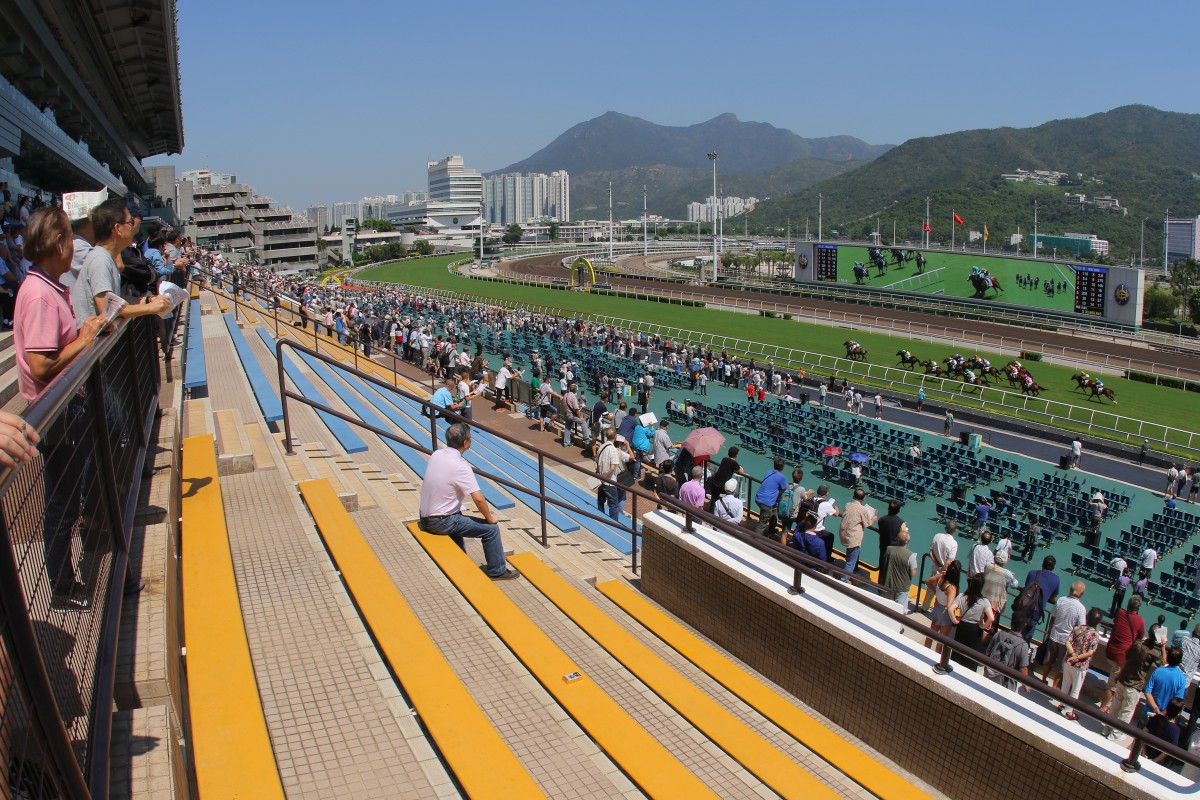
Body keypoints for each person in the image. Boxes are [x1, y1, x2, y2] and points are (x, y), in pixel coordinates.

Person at [417, 424, 517, 580]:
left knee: (458, 517)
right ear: (466, 443)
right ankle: (497, 571)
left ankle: (460, 560)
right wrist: (489, 517)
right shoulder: (461, 466)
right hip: (440, 521)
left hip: (425, 516)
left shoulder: (437, 454)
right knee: (491, 530)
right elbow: (478, 498)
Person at [70, 198, 170, 326]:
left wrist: (148, 300)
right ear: (118, 228)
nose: (133, 227)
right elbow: (108, 309)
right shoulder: (100, 259)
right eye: (131, 222)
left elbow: (115, 302)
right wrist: (150, 308)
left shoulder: (105, 257)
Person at [1102, 634, 1167, 742]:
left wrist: (1119, 674)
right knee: (1127, 711)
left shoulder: (1137, 644)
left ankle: (1107, 728)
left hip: (1123, 679)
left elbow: (1127, 659)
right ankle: (1115, 735)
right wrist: (1163, 646)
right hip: (1135, 686)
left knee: (1115, 706)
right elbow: (1164, 663)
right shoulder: (1154, 652)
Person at [1039, 581, 1087, 688]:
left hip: (1054, 635)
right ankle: (1054, 686)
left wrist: (1050, 630)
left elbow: (1052, 618)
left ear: (1070, 590)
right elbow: (1081, 628)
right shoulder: (1081, 608)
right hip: (1067, 641)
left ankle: (1043, 679)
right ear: (1082, 594)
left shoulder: (1061, 600)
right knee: (1061, 666)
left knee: (1048, 660)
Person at [1058, 607, 1103, 720]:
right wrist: (1077, 658)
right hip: (1080, 666)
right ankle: (1069, 711)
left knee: (1065, 684)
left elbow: (1068, 641)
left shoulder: (1078, 628)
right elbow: (1090, 652)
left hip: (1068, 661)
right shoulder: (1095, 636)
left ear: (1087, 617)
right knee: (1075, 689)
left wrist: (1072, 654)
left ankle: (1061, 703)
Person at [951, 575, 995, 667]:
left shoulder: (961, 596)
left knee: (957, 652)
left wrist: (955, 621)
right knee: (971, 656)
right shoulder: (984, 601)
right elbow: (991, 618)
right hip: (975, 629)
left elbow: (950, 609)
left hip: (962, 626)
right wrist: (982, 626)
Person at [984, 611, 1032, 691]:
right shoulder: (1023, 645)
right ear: (1024, 625)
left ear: (1011, 622)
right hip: (1006, 684)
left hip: (990, 676)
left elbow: (987, 653)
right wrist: (1026, 685)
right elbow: (1023, 668)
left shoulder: (998, 635)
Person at [838, 488, 876, 580]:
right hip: (853, 537)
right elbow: (867, 524)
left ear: (853, 496)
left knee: (850, 555)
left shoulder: (848, 505)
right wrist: (874, 518)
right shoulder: (863, 509)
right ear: (863, 499)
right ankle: (843, 580)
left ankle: (850, 571)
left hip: (844, 534)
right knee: (850, 562)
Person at [879, 525, 918, 617]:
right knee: (900, 610)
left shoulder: (889, 549)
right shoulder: (911, 556)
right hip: (901, 587)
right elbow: (913, 573)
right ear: (908, 541)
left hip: (887, 583)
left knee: (886, 606)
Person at [594, 429, 631, 522]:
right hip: (610, 482)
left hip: (601, 481)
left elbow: (597, 462)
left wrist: (599, 474)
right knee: (613, 504)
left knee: (601, 501)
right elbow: (612, 467)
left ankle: (600, 517)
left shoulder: (601, 446)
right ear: (615, 437)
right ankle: (613, 523)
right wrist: (605, 477)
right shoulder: (613, 450)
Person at [1021, 556, 1061, 641]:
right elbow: (1053, 598)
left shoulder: (1032, 573)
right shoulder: (1056, 579)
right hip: (1037, 610)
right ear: (1053, 567)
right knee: (1027, 635)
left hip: (1023, 606)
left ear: (1043, 564)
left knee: (1018, 628)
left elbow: (1026, 587)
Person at [925, 560, 962, 652]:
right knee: (941, 641)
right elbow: (949, 607)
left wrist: (935, 592)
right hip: (945, 614)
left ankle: (924, 651)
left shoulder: (941, 577)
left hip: (937, 608)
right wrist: (955, 620)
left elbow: (927, 581)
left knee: (930, 636)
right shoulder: (951, 588)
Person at [922, 522, 959, 612]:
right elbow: (949, 560)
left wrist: (938, 565)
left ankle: (924, 608)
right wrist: (943, 569)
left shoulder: (937, 536)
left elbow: (931, 553)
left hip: (935, 569)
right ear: (954, 531)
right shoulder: (953, 543)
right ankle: (938, 610)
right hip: (945, 572)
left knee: (930, 589)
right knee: (943, 593)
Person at [753, 457, 789, 537]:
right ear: (783, 467)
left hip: (759, 498)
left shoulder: (768, 472)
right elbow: (784, 489)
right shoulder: (781, 477)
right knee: (763, 523)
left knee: (773, 514)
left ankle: (771, 530)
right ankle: (755, 540)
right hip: (767, 502)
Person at [1145, 698, 1185, 766]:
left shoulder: (1156, 717)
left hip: (1144, 755)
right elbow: (1168, 751)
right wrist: (1154, 761)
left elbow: (1143, 734)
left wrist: (1145, 753)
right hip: (1157, 762)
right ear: (1178, 714)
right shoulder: (1175, 730)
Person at [813, 485, 839, 562]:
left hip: (809, 526)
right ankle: (827, 558)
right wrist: (836, 508)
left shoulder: (813, 499)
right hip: (817, 530)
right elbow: (836, 514)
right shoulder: (826, 504)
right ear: (826, 494)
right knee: (830, 536)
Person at [876, 500, 905, 566]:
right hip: (895, 551)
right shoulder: (901, 523)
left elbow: (881, 530)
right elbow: (903, 538)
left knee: (882, 567)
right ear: (898, 510)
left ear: (888, 508)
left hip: (883, 549)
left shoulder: (881, 520)